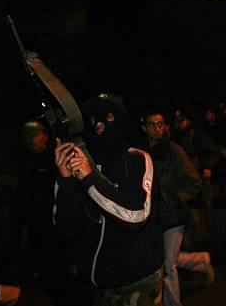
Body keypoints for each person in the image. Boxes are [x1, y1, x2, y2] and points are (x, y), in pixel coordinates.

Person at [53, 94, 164, 306]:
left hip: (139, 279)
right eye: (94, 120)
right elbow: (68, 229)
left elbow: (136, 214)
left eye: (108, 117)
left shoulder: (137, 159)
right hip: (101, 283)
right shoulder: (82, 165)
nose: (100, 124)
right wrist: (66, 181)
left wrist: (90, 179)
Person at [140, 111, 213, 306]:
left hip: (174, 216)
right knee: (168, 258)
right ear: (144, 128)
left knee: (167, 265)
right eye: (153, 125)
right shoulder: (142, 154)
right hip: (154, 218)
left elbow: (194, 182)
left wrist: (171, 198)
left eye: (161, 124)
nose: (158, 129)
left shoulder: (174, 151)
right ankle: (202, 261)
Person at [14, 120, 80, 306]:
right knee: (48, 279)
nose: (31, 140)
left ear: (44, 135)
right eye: (27, 137)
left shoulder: (55, 161)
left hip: (55, 232)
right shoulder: (26, 166)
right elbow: (21, 202)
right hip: (38, 233)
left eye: (35, 135)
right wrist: (22, 231)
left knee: (65, 281)